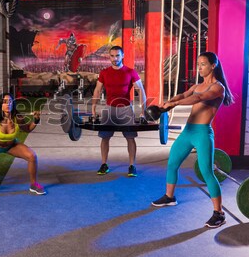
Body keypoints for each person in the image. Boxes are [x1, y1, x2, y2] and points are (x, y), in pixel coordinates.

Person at [152, 52, 233, 229]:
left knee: (206, 172)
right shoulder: (197, 85)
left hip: (202, 133)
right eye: (198, 64)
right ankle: (169, 197)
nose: (199, 67)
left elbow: (198, 98)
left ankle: (219, 213)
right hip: (187, 132)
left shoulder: (218, 88)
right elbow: (183, 95)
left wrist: (173, 105)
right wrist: (168, 102)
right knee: (172, 163)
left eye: (203, 64)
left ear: (213, 66)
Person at [0, 93, 46, 201]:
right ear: (0, 105)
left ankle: (34, 184)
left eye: (10, 101)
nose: (8, 104)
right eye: (5, 102)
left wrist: (36, 120)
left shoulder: (18, 117)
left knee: (32, 156)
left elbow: (28, 129)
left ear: (13, 104)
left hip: (11, 145)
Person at [91, 46, 147, 177]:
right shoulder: (104, 72)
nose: (114, 58)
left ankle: (132, 165)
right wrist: (93, 108)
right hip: (109, 109)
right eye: (112, 56)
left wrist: (143, 111)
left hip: (126, 109)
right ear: (109, 57)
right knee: (105, 138)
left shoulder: (130, 72)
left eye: (117, 55)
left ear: (122, 56)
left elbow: (141, 90)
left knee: (130, 138)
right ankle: (104, 164)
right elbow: (97, 90)